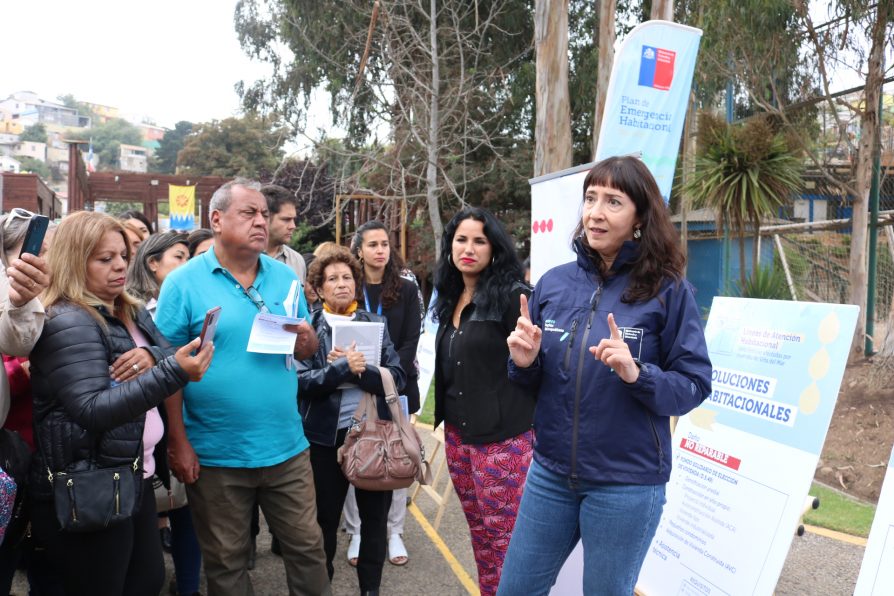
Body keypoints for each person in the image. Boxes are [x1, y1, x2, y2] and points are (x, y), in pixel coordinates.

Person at [498, 156, 713, 595]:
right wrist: (524, 362)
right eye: (591, 198)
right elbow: (535, 382)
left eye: (613, 201)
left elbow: (694, 384)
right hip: (551, 475)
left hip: (626, 486)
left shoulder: (669, 292)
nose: (595, 212)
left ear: (639, 218)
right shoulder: (554, 285)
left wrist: (638, 374)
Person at [155, 178, 331, 596]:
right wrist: (178, 442)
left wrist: (308, 341)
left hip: (286, 446)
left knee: (307, 548)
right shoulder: (182, 284)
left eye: (264, 215)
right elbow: (168, 371)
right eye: (248, 213)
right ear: (216, 220)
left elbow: (304, 347)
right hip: (216, 453)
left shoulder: (286, 278)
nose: (260, 222)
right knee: (226, 561)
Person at [27, 211, 213, 596]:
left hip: (130, 474)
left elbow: (163, 349)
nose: (119, 267)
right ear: (74, 261)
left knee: (145, 580)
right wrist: (173, 371)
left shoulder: (126, 307)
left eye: (123, 256)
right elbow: (92, 409)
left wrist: (154, 359)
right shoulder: (69, 320)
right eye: (104, 258)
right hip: (91, 480)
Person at [432, 207, 536, 596]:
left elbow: (536, 365)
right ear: (450, 246)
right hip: (459, 438)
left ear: (495, 248)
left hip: (503, 442)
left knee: (507, 544)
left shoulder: (514, 297)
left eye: (480, 240)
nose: (469, 248)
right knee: (479, 536)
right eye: (461, 239)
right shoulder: (451, 295)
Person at [297, 245, 406, 596]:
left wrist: (360, 371)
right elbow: (301, 383)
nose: (341, 284)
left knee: (374, 522)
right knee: (324, 522)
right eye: (332, 279)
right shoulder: (309, 327)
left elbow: (398, 376)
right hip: (324, 439)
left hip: (372, 437)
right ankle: (322, 586)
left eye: (347, 277)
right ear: (319, 287)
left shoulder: (376, 323)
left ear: (356, 284)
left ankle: (370, 590)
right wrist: (337, 370)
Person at [126, 230, 203, 596]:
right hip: (146, 431)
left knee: (187, 515)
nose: (186, 266)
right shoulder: (132, 312)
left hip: (189, 420)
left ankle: (187, 587)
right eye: (178, 257)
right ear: (152, 263)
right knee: (148, 521)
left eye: (189, 257)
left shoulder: (194, 304)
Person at [343, 220, 422, 567]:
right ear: (358, 249)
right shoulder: (350, 287)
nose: (380, 250)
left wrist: (386, 377)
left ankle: (394, 531)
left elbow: (409, 341)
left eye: (385, 244)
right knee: (354, 453)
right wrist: (361, 375)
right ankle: (357, 530)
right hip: (353, 384)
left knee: (398, 454)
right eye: (372, 244)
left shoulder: (405, 289)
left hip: (396, 386)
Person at [0, 208, 56, 595]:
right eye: (35, 250)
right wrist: (22, 373)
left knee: (49, 566)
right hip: (10, 457)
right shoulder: (12, 301)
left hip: (53, 458)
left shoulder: (66, 302)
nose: (43, 261)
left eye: (51, 250)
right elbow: (13, 344)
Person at [262, 184, 307, 283]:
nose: (293, 226)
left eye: (293, 220)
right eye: (286, 219)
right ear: (265, 218)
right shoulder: (243, 257)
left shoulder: (297, 261)